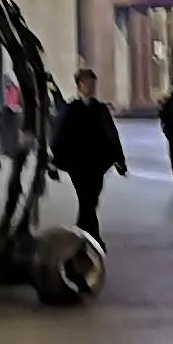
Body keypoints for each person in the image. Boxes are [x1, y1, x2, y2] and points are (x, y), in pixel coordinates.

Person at [51, 67, 126, 243]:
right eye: (87, 83)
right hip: (77, 164)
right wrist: (53, 162)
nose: (91, 87)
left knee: (91, 200)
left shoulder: (100, 109)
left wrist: (119, 159)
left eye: (92, 83)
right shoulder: (71, 109)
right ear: (79, 86)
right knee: (86, 199)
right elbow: (60, 135)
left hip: (97, 163)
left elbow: (111, 134)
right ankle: (93, 237)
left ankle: (81, 234)